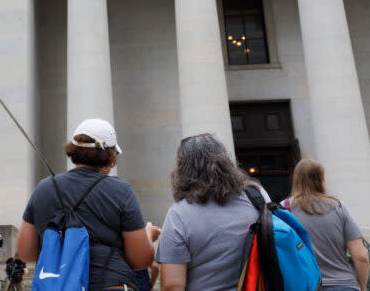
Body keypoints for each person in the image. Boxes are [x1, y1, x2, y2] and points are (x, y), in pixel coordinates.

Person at [18, 118, 160, 290]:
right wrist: (148, 235)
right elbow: (140, 260)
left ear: (73, 150)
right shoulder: (120, 190)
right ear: (110, 155)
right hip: (111, 283)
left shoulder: (44, 188)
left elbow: (26, 252)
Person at [156, 133, 270, 291]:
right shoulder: (257, 196)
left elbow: (172, 286)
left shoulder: (178, 215)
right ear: (225, 161)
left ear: (182, 169)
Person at [283, 159, 369, 291]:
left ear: (296, 180)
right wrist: (362, 287)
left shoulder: (284, 209)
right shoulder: (338, 206)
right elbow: (361, 256)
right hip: (344, 284)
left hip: (305, 285)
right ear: (321, 179)